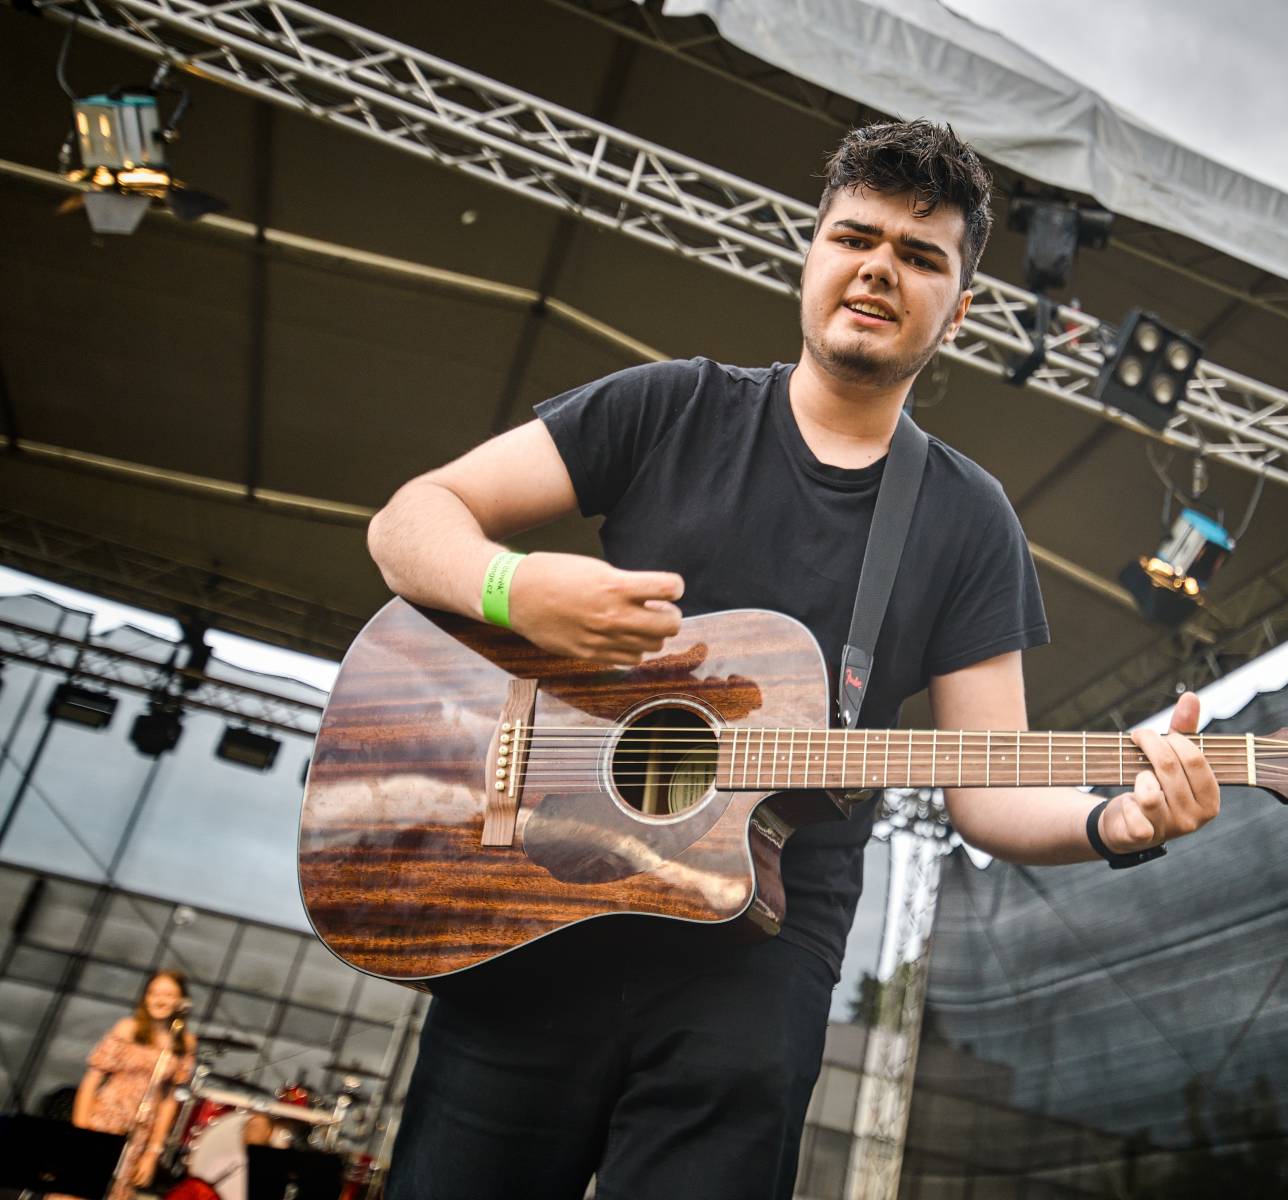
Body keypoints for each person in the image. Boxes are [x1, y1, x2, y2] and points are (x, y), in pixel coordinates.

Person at [367, 119, 1221, 1199]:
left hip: (755, 950)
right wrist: (516, 587)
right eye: (855, 238)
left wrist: (1117, 818)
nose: (878, 269)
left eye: (919, 257)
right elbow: (408, 522)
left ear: (955, 314)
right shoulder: (668, 406)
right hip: (538, 902)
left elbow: (987, 790)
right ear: (809, 257)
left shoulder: (967, 519)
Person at [72, 968, 197, 1199]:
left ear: (181, 1001)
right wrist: (81, 1132)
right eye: (154, 993)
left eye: (168, 994)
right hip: (104, 1120)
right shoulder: (127, 1028)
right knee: (80, 1190)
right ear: (145, 997)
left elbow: (168, 1101)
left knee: (117, 1192)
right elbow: (91, 1081)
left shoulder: (184, 1042)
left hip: (140, 1130)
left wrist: (153, 1152)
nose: (159, 999)